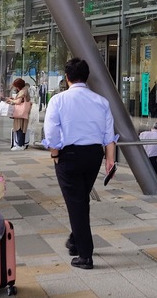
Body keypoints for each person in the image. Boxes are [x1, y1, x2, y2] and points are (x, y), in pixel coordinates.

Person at [42, 58, 117, 270]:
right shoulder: (101, 101)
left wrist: (55, 153)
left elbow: (51, 131)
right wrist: (109, 161)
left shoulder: (58, 100)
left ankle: (85, 255)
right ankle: (75, 241)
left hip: (69, 155)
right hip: (94, 155)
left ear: (67, 78)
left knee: (75, 203)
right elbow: (108, 136)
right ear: (86, 77)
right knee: (81, 199)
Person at [7, 78, 31, 151]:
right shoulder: (25, 90)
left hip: (20, 113)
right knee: (22, 128)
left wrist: (10, 100)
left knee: (19, 128)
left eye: (16, 86)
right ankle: (22, 144)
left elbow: (18, 102)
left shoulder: (22, 91)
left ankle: (19, 145)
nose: (15, 88)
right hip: (24, 113)